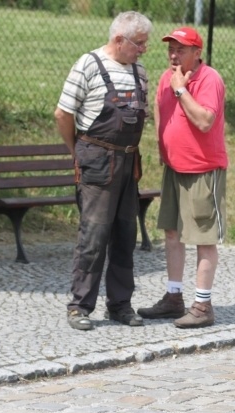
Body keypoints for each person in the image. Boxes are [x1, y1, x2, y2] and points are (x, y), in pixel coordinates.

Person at [54, 11, 153, 331]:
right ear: (118, 40)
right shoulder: (88, 65)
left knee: (126, 236)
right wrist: (78, 152)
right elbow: (62, 114)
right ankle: (79, 305)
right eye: (139, 44)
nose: (143, 50)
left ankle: (120, 305)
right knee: (94, 236)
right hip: (97, 159)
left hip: (128, 163)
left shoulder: (139, 70)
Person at [137, 27, 228, 329]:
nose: (174, 55)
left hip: (203, 169)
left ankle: (203, 305)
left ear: (197, 53)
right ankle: (174, 297)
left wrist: (181, 89)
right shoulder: (167, 77)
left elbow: (204, 121)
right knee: (172, 233)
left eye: (181, 49)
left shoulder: (209, 79)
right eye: (171, 49)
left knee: (203, 238)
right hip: (174, 169)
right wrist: (163, 148)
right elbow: (159, 112)